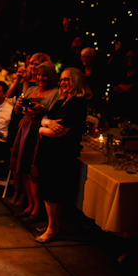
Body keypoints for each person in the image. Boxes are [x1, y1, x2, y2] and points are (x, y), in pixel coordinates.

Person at [34, 68, 91, 242]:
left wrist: (42, 128)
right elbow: (44, 118)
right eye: (62, 79)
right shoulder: (61, 102)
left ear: (77, 81)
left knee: (52, 192)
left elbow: (60, 132)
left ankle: (52, 230)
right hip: (50, 153)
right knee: (48, 189)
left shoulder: (77, 104)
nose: (63, 82)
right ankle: (54, 225)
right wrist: (47, 123)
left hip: (60, 155)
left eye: (67, 79)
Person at [10, 62, 59, 222]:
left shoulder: (56, 94)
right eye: (38, 74)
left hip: (39, 133)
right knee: (23, 168)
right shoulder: (31, 90)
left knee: (34, 171)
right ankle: (30, 205)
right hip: (24, 130)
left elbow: (56, 116)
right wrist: (19, 105)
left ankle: (37, 209)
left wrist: (43, 110)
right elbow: (18, 112)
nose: (40, 78)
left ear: (50, 76)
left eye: (44, 75)